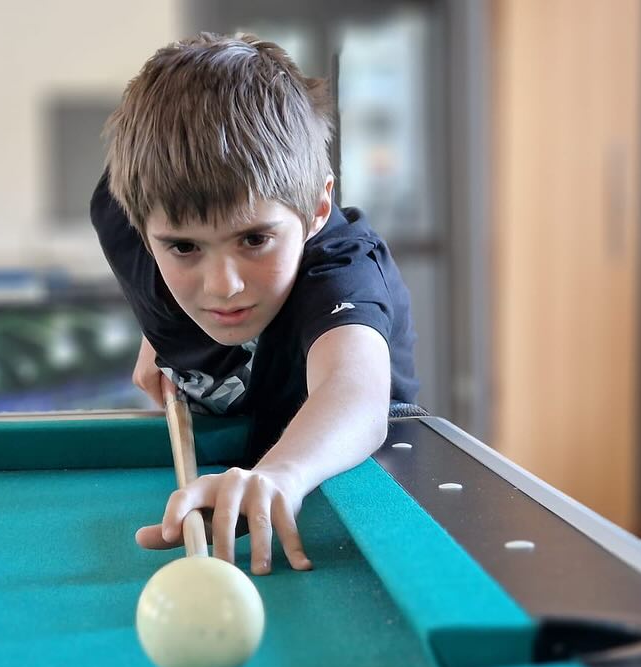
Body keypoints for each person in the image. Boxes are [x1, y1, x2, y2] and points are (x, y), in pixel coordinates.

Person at [92, 32, 420, 576]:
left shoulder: (343, 272)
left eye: (254, 240)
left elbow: (354, 391)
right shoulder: (121, 216)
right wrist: (159, 328)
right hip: (233, 466)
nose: (224, 286)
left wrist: (280, 475)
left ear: (317, 210)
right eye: (184, 248)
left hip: (347, 500)